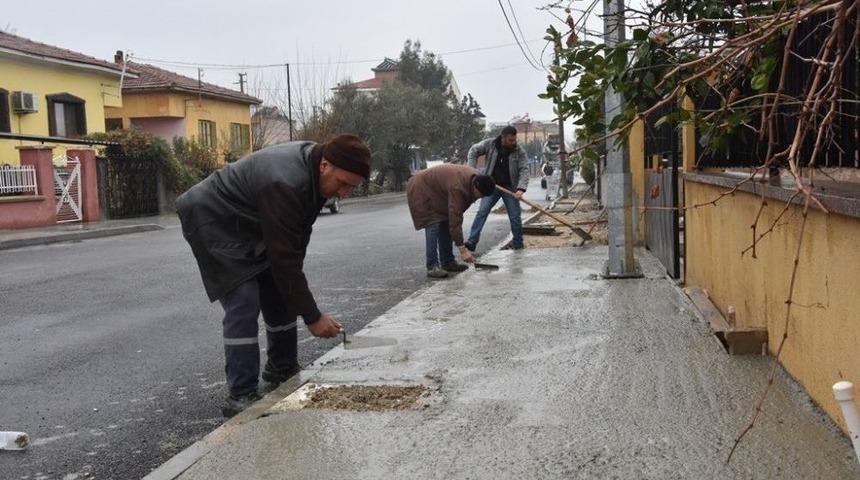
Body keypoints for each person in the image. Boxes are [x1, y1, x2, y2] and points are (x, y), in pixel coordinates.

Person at [176, 134, 370, 416]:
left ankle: (281, 369)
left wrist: (299, 299)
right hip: (213, 216)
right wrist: (313, 317)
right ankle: (241, 394)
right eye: (342, 184)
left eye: (351, 188)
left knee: (280, 291)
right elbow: (284, 259)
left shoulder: (315, 176)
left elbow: (295, 243)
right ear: (325, 165)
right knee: (243, 299)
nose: (343, 193)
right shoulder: (285, 182)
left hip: (250, 217)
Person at [406, 164, 496, 278]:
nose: (479, 198)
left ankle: (448, 262)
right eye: (480, 195)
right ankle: (432, 266)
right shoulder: (457, 187)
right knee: (432, 223)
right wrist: (463, 250)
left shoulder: (477, 178)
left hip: (437, 190)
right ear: (475, 187)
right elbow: (456, 218)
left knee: (445, 220)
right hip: (420, 187)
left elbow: (452, 219)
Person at [465, 126, 529, 251]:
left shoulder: (519, 151)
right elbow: (473, 151)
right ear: (503, 138)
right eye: (510, 140)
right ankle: (472, 241)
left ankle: (518, 244)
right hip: (491, 185)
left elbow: (524, 170)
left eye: (514, 140)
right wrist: (471, 170)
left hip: (510, 188)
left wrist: (520, 189)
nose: (513, 142)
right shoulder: (490, 144)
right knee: (482, 212)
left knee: (515, 216)